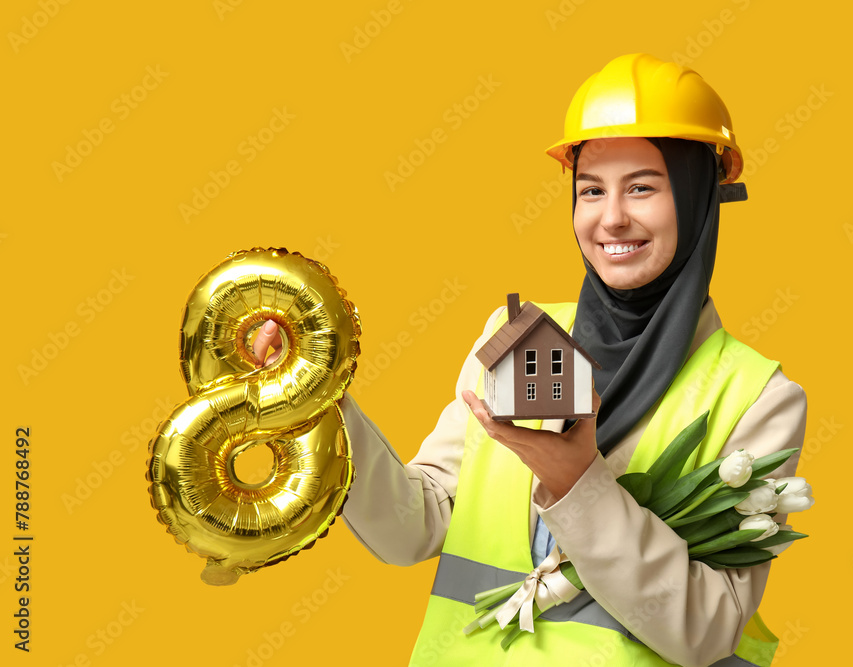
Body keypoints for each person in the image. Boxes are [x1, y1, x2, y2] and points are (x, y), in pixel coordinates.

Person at [253, 53, 807, 667]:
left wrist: (578, 482)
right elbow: (414, 528)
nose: (612, 217)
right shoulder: (517, 335)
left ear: (700, 196)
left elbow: (708, 630)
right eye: (591, 189)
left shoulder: (756, 396)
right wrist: (316, 396)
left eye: (643, 187)